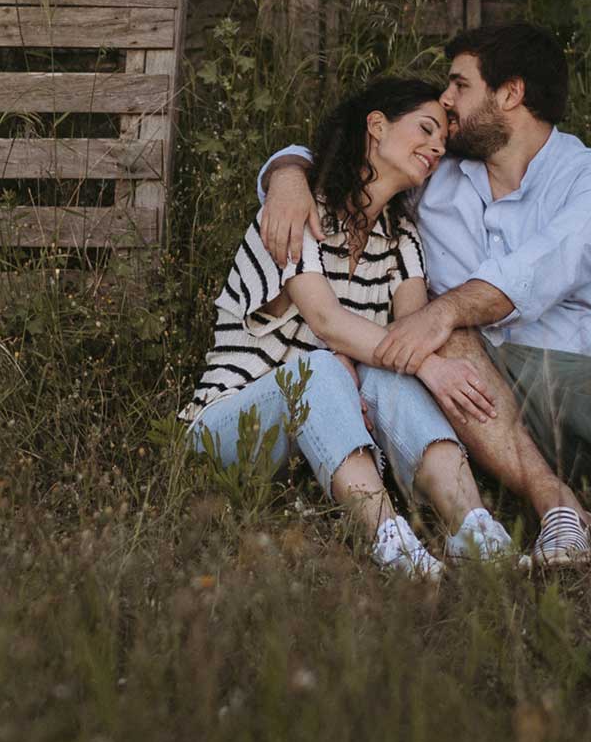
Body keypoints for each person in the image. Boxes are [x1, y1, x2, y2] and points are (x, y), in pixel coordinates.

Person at [259, 24, 591, 568]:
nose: (445, 100)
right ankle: (558, 507)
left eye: (459, 85)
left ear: (510, 94)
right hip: (470, 393)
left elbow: (538, 270)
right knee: (453, 335)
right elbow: (355, 156)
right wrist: (288, 174)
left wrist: (442, 313)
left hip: (576, 386)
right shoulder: (436, 177)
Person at [182, 76, 518, 579]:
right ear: (376, 127)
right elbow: (325, 320)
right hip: (228, 426)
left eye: (442, 142)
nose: (434, 147)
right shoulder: (294, 213)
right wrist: (425, 365)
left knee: (399, 374)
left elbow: (408, 337)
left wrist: (416, 363)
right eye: (425, 129)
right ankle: (390, 540)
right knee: (323, 369)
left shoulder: (402, 239)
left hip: (320, 429)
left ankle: (474, 528)